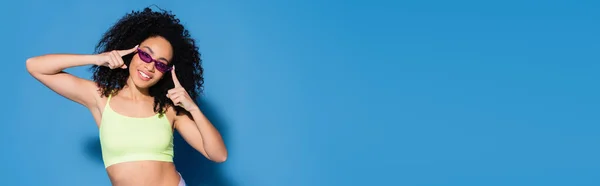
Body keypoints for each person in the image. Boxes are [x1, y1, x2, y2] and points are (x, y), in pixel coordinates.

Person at [25, 6, 228, 186]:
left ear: (167, 71)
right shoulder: (101, 97)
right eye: (146, 55)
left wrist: (192, 107)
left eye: (160, 64)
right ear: (132, 52)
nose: (149, 66)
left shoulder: (168, 108)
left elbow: (218, 155)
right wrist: (96, 59)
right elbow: (35, 66)